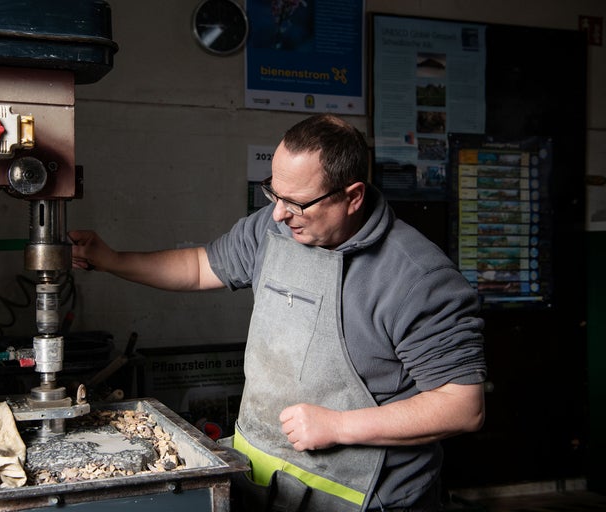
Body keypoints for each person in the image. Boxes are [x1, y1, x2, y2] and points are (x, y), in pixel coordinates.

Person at [69, 113, 486, 512]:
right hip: (264, 486)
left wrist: (340, 427)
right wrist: (110, 259)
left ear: (353, 196)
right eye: (274, 193)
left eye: (297, 202)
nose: (278, 213)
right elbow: (199, 268)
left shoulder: (417, 279)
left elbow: (461, 405)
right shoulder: (272, 230)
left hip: (365, 500)